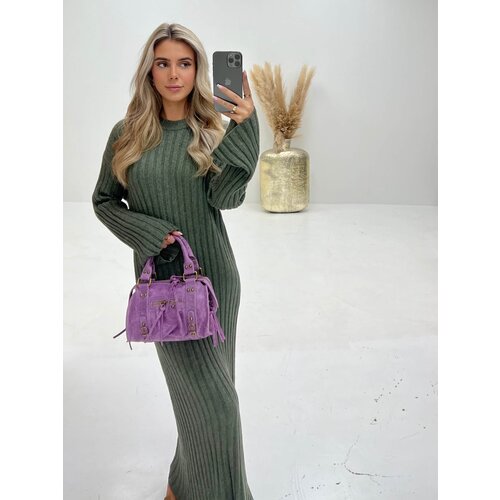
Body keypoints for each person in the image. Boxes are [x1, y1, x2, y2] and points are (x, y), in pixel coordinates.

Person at [91, 22, 259, 500]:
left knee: (214, 400)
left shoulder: (209, 131)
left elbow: (226, 199)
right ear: (150, 70)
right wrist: (149, 234)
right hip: (167, 290)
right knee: (212, 406)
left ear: (197, 70)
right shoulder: (127, 135)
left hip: (216, 282)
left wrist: (245, 128)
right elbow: (104, 201)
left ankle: (184, 485)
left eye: (184, 63)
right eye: (163, 63)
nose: (173, 74)